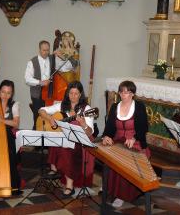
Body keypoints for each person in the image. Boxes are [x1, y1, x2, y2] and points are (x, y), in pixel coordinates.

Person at [38, 81, 95, 196]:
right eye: (71, 93)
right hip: (64, 137)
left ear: (80, 95)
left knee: (67, 149)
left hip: (79, 140)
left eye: (76, 93)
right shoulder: (62, 105)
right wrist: (50, 119)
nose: (73, 96)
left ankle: (70, 185)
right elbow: (41, 110)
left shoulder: (86, 109)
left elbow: (90, 132)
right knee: (54, 139)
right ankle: (54, 169)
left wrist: (83, 124)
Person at [101, 80, 149, 208]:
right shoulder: (115, 106)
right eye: (121, 92)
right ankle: (109, 188)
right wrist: (106, 136)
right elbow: (110, 127)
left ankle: (121, 195)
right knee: (108, 154)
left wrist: (134, 138)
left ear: (132, 94)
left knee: (125, 159)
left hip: (134, 141)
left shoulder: (139, 106)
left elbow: (144, 127)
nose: (123, 95)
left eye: (126, 92)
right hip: (118, 140)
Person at [25, 40, 55, 130]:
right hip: (37, 93)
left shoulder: (52, 58)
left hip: (49, 93)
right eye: (44, 50)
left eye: (47, 50)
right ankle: (36, 135)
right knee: (37, 116)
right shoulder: (32, 62)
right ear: (39, 50)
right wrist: (40, 82)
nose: (46, 52)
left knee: (49, 115)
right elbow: (27, 79)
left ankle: (47, 135)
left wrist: (62, 56)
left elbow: (65, 66)